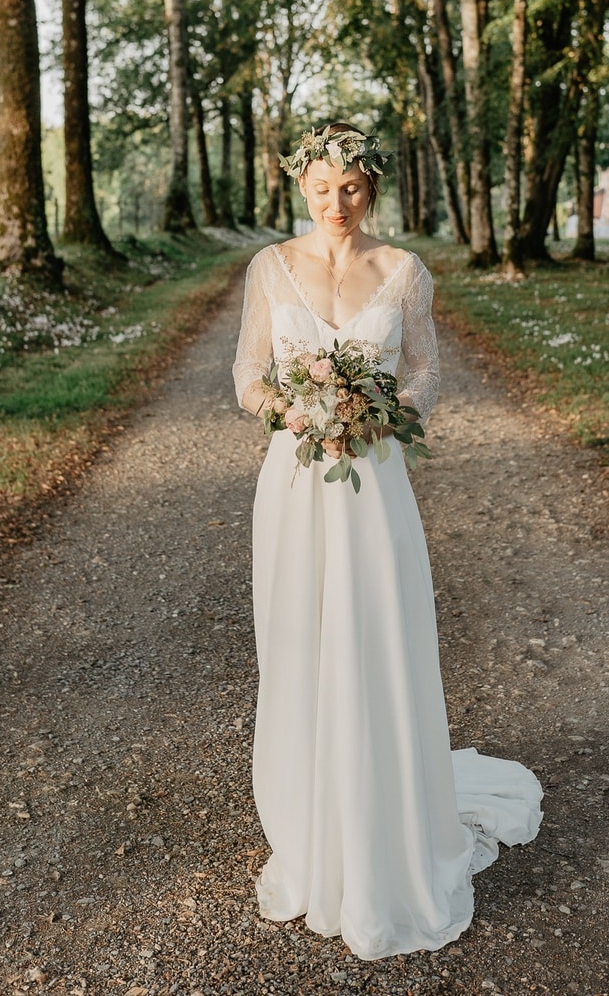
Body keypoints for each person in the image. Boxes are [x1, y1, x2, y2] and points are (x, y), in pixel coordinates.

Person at [232, 121, 543, 961]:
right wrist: (296, 410)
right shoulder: (269, 268)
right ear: (301, 185)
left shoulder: (404, 272)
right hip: (297, 485)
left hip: (372, 484)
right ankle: (311, 829)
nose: (337, 204)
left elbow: (425, 370)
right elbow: (248, 377)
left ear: (372, 188)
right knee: (300, 644)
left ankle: (387, 836)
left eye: (353, 188)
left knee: (378, 641)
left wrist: (386, 418)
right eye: (323, 188)